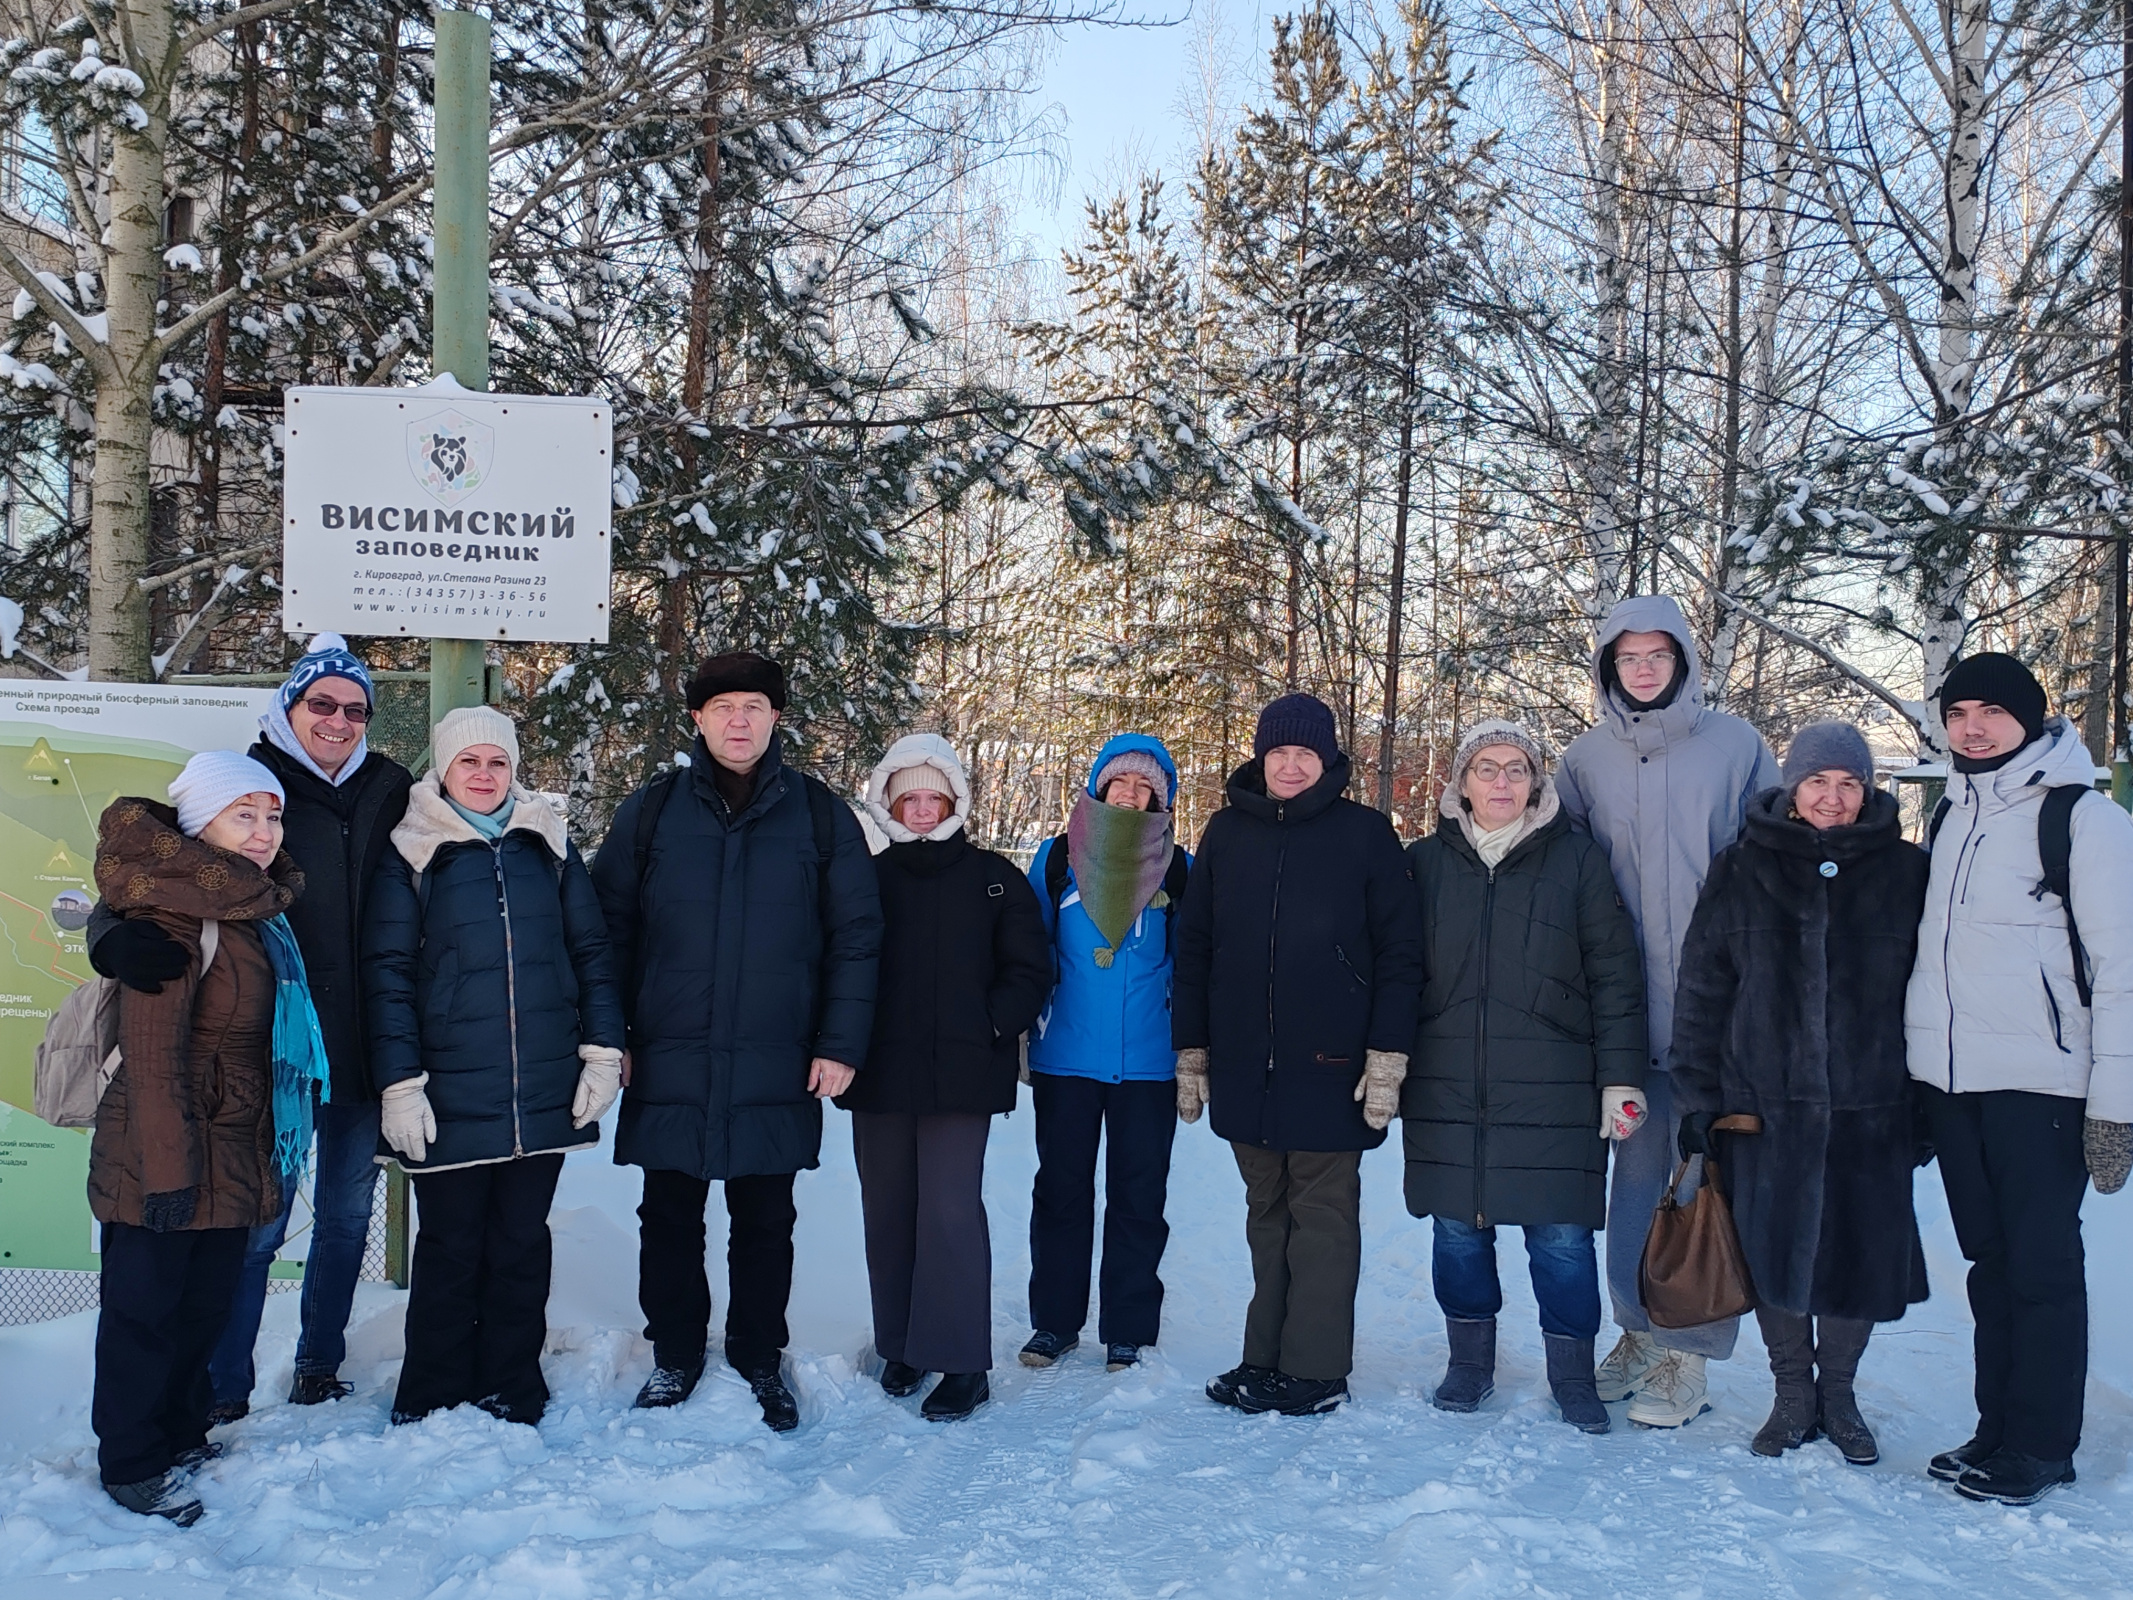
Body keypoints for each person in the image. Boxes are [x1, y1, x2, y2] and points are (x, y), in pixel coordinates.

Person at [89, 632, 413, 1420]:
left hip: (359, 1044)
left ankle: (317, 1365)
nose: (338, 721)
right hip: (268, 1052)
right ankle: (221, 1387)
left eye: (355, 709)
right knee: (256, 1227)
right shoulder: (252, 783)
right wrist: (107, 935)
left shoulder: (392, 789)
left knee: (345, 1219)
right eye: (321, 703)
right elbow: (154, 869)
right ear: (288, 706)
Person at [590, 651, 883, 1432]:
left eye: (753, 706)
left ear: (775, 716)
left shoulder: (818, 816)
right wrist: (609, 1035)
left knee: (765, 1219)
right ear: (698, 719)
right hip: (669, 1049)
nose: (739, 721)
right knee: (668, 1215)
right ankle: (675, 1353)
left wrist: (839, 1042)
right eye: (723, 708)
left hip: (775, 1052)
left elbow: (856, 935)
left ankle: (758, 1354)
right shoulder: (651, 812)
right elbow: (606, 929)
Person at [1905, 654, 2133, 1505]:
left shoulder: (2084, 820)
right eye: (1957, 713)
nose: (1971, 728)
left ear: (2030, 719)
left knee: (2040, 1268)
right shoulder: (1949, 813)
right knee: (1989, 1265)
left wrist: (2114, 1108)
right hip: (1953, 1086)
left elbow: (2123, 973)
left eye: (1991, 712)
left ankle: (2040, 1446)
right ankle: (1996, 1429)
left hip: (2044, 1087)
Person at [1672, 722, 1930, 1467]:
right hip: (1762, 1107)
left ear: (1867, 791)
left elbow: (1935, 992)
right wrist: (1698, 1099)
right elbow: (1703, 987)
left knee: (1860, 1256)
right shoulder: (1742, 866)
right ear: (1792, 788)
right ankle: (1792, 1398)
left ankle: (1839, 1397)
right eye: (1817, 781)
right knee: (1770, 1252)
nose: (1832, 797)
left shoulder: (1907, 872)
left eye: (1849, 783)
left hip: (1872, 1107)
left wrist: (1925, 1105)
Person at [363, 707, 624, 1427]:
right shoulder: (412, 851)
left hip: (541, 1084)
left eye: (497, 762)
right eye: (468, 762)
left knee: (520, 1244)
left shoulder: (548, 845)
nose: (484, 775)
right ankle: (433, 1393)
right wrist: (399, 1081)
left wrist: (602, 1049)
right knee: (450, 1247)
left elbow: (591, 954)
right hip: (447, 1087)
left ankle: (512, 1385)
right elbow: (387, 973)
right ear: (443, 769)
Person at [1557, 594, 1779, 1428]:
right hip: (1624, 1014)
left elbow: (1780, 860)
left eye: (1657, 655)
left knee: (1704, 1181)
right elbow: (1560, 867)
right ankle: (1639, 1331)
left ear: (1682, 660)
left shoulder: (1734, 746)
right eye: (1628, 657)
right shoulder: (1584, 759)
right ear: (1607, 666)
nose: (1643, 669)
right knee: (1635, 1181)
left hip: (1720, 1012)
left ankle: (1691, 1351)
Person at [1173, 693, 1423, 1417]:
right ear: (1261, 758)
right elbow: (1195, 946)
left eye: (1304, 753)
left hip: (1331, 1066)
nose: (1289, 766)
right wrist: (1193, 1048)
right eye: (1278, 752)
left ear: (1327, 760)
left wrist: (1387, 1054)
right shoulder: (1226, 832)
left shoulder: (1364, 834)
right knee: (1267, 1215)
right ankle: (1265, 1357)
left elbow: (1401, 954)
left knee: (1322, 1219)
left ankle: (1313, 1370)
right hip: (1245, 1064)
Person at [87, 753, 319, 1524]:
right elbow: (155, 1060)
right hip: (162, 1154)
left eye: (272, 816)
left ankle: (180, 1433)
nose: (263, 832)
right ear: (199, 824)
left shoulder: (255, 911)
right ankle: (130, 1461)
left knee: (200, 1309)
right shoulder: (173, 916)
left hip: (231, 1149)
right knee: (144, 1315)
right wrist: (167, 1174)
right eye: (242, 815)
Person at [1403, 720, 1647, 1434]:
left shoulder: (1577, 860)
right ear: (1460, 782)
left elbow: (1615, 975)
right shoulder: (1421, 864)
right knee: (1457, 1231)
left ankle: (1572, 1376)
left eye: (1517, 768)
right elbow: (1393, 971)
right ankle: (1469, 1364)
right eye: (1486, 768)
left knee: (1562, 1239)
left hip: (1556, 1083)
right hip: (1448, 1080)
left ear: (1537, 782)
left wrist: (1620, 1077)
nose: (1502, 782)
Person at [836, 735, 1050, 1421]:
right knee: (889, 1209)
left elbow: (1030, 969)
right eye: (910, 799)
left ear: (955, 801)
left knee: (950, 1212)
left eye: (935, 797)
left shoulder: (993, 878)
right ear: (889, 804)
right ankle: (904, 1346)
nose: (923, 809)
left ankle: (961, 1362)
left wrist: (989, 1024)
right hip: (881, 1072)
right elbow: (837, 961)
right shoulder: (866, 878)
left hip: (963, 1074)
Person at [1020, 735, 1190, 1375]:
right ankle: (1054, 1325)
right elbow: (1028, 949)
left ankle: (1128, 1330)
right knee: (1060, 1193)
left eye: (1145, 787)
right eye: (1120, 781)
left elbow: (1194, 963)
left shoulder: (1179, 867)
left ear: (1160, 801)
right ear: (1098, 786)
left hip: (1148, 1062)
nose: (1130, 793)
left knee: (1138, 1198)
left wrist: (1194, 1048)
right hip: (1065, 1057)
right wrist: (1020, 1030)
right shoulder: (1056, 859)